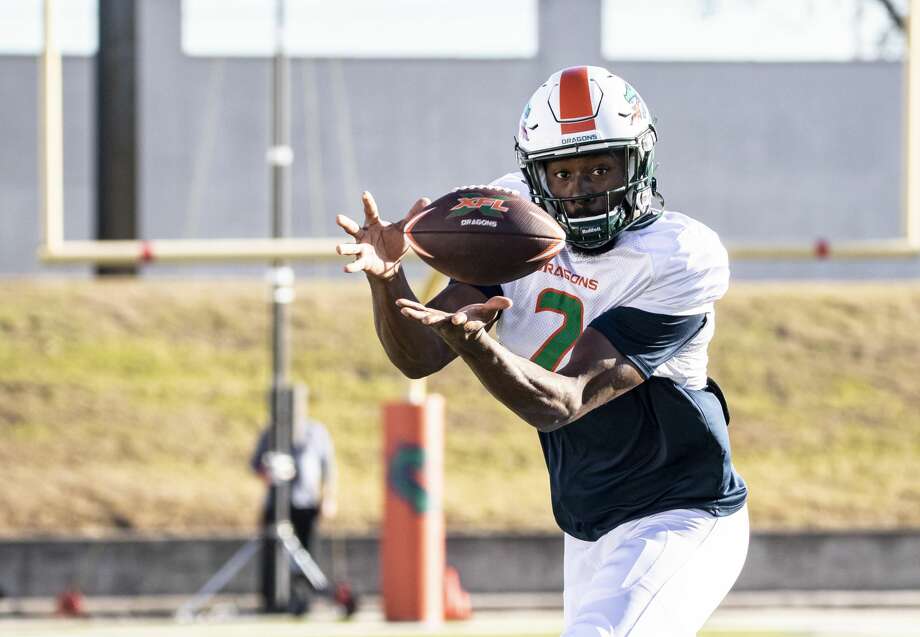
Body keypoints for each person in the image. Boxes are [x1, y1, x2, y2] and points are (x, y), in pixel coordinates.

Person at [335, 65, 748, 636]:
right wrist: (388, 280)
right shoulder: (514, 217)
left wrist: (480, 346)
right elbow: (419, 356)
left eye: (601, 168)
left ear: (639, 160)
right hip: (588, 522)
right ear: (536, 175)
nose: (580, 191)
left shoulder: (677, 255)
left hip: (679, 512)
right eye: (563, 173)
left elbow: (564, 400)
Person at [250, 389, 337, 614]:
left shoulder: (316, 432)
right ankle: (272, 600)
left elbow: (328, 467)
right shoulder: (270, 434)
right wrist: (270, 472)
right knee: (273, 553)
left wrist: (328, 498)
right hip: (278, 504)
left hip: (305, 503)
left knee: (306, 554)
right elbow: (255, 465)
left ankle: (305, 600)